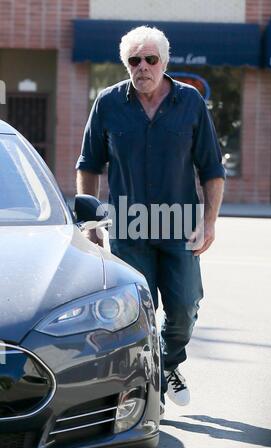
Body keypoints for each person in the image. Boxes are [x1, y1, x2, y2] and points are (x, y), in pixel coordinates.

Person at [76, 26, 225, 418]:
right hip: (128, 229)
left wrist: (209, 222)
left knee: (185, 308)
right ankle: (149, 387)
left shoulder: (190, 102)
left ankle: (167, 362)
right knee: (135, 315)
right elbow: (88, 165)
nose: (142, 67)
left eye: (150, 59)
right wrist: (90, 221)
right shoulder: (108, 103)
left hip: (181, 226)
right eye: (134, 61)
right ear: (126, 64)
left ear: (164, 61)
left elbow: (211, 168)